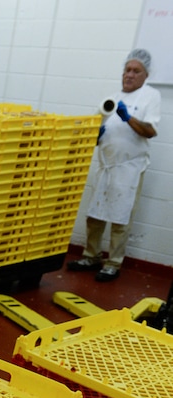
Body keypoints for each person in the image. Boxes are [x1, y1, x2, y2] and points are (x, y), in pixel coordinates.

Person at [67, 49, 160, 283]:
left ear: (146, 75)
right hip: (106, 167)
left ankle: (113, 263)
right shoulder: (110, 99)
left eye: (136, 71)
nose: (129, 75)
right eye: (127, 70)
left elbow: (150, 131)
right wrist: (95, 136)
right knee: (95, 215)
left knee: (121, 219)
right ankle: (91, 256)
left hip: (130, 169)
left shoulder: (150, 96)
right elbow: (93, 135)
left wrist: (127, 118)